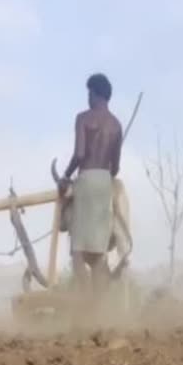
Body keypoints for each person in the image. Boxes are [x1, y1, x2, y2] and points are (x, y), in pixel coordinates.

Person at [57, 73, 123, 300]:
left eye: (89, 93)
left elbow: (80, 153)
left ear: (95, 94)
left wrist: (65, 176)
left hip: (85, 181)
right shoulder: (116, 125)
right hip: (105, 183)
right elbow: (116, 168)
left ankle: (85, 303)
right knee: (98, 254)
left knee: (78, 253)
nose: (88, 98)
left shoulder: (83, 118)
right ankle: (96, 307)